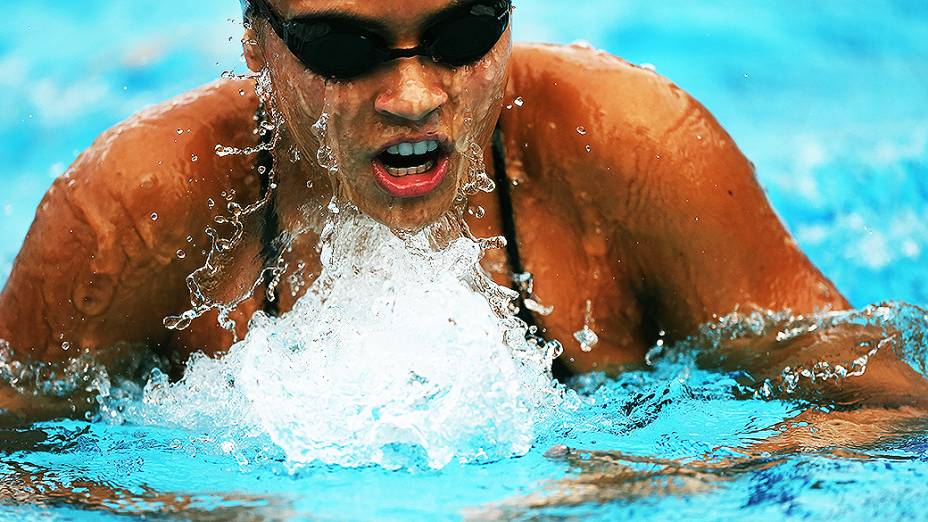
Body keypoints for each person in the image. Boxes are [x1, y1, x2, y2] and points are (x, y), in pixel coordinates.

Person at [0, 0, 925, 423]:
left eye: (460, 35)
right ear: (256, 41)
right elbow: (21, 463)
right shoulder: (136, 206)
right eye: (341, 45)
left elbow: (865, 400)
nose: (411, 94)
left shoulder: (634, 150)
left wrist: (629, 488)